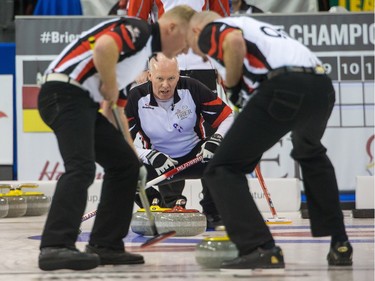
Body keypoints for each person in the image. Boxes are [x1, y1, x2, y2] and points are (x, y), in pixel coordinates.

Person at [186, 11, 353, 272]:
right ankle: (340, 243)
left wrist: (232, 85)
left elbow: (233, 44)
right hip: (321, 87)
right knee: (310, 154)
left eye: (195, 48)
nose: (200, 55)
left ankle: (260, 248)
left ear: (195, 31)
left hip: (285, 87)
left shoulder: (215, 27)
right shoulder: (255, 26)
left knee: (222, 168)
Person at [37, 5, 196, 271]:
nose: (187, 50)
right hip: (63, 93)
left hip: (80, 101)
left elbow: (116, 109)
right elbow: (103, 48)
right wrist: (109, 84)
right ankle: (55, 246)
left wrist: (135, 158)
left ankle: (106, 244)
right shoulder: (141, 30)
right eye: (187, 42)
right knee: (81, 168)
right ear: (172, 29)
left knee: (125, 166)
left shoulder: (141, 54)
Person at [126, 0, 231, 209]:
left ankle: (213, 209)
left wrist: (222, 60)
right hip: (164, 60)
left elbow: (220, 20)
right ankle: (172, 204)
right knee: (164, 135)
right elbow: (136, 20)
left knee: (210, 143)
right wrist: (138, 64)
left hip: (201, 64)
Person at [124, 53, 234, 229]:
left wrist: (216, 139)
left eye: (172, 78)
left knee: (223, 159)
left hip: (194, 156)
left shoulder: (192, 87)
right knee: (122, 170)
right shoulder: (135, 97)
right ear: (149, 75)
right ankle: (155, 203)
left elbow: (228, 117)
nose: (166, 85)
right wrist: (149, 155)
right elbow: (121, 141)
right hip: (159, 160)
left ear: (179, 75)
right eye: (160, 78)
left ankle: (213, 213)